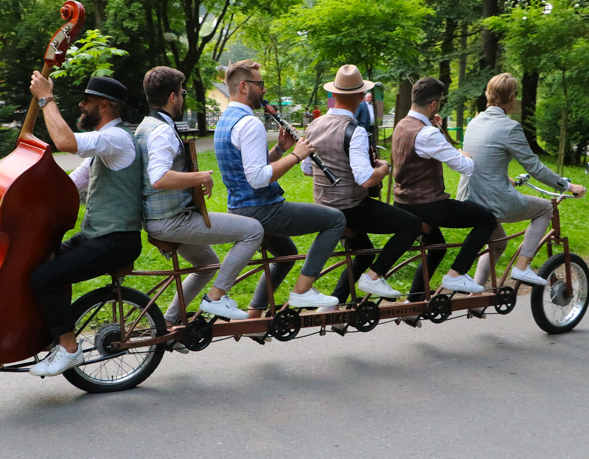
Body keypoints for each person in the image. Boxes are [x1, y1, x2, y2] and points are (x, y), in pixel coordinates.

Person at [27, 72, 143, 377]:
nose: (81, 104)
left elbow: (65, 141)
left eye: (87, 101)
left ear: (104, 105)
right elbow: (70, 185)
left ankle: (68, 348)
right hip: (99, 236)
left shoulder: (116, 138)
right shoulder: (103, 149)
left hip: (116, 240)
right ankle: (53, 335)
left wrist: (45, 99)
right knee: (40, 264)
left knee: (44, 277)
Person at [214, 59, 345, 316]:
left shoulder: (226, 119)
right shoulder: (250, 123)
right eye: (259, 84)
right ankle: (303, 291)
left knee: (286, 253)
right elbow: (258, 178)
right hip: (263, 209)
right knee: (336, 220)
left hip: (240, 207)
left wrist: (281, 150)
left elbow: (249, 168)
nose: (263, 90)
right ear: (243, 86)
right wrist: (296, 155)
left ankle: (254, 315)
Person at [135, 66, 264, 328]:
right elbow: (158, 178)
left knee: (207, 264)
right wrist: (200, 177)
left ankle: (169, 321)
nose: (183, 97)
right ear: (173, 96)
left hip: (159, 218)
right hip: (171, 220)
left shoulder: (145, 126)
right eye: (182, 92)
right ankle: (217, 297)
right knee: (253, 230)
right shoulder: (161, 131)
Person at [303, 64, 421, 303]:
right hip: (351, 207)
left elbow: (307, 169)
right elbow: (366, 179)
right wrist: (384, 169)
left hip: (324, 207)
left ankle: (332, 307)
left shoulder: (313, 126)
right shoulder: (354, 131)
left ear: (334, 95)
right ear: (359, 96)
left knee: (364, 253)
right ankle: (375, 277)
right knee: (413, 225)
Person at [456, 73, 585, 288]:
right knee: (545, 208)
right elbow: (534, 167)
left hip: (468, 198)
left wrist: (501, 176)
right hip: (492, 200)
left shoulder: (474, 122)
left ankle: (476, 296)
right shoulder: (509, 127)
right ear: (513, 97)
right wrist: (568, 186)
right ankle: (523, 267)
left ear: (488, 94)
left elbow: (480, 158)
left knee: (499, 244)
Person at [392, 77, 498, 299]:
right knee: (486, 220)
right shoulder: (428, 133)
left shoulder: (402, 125)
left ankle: (415, 299)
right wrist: (463, 153)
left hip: (403, 203)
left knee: (437, 246)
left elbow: (424, 148)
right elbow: (465, 166)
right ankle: (457, 274)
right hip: (429, 205)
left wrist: (436, 129)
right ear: (433, 105)